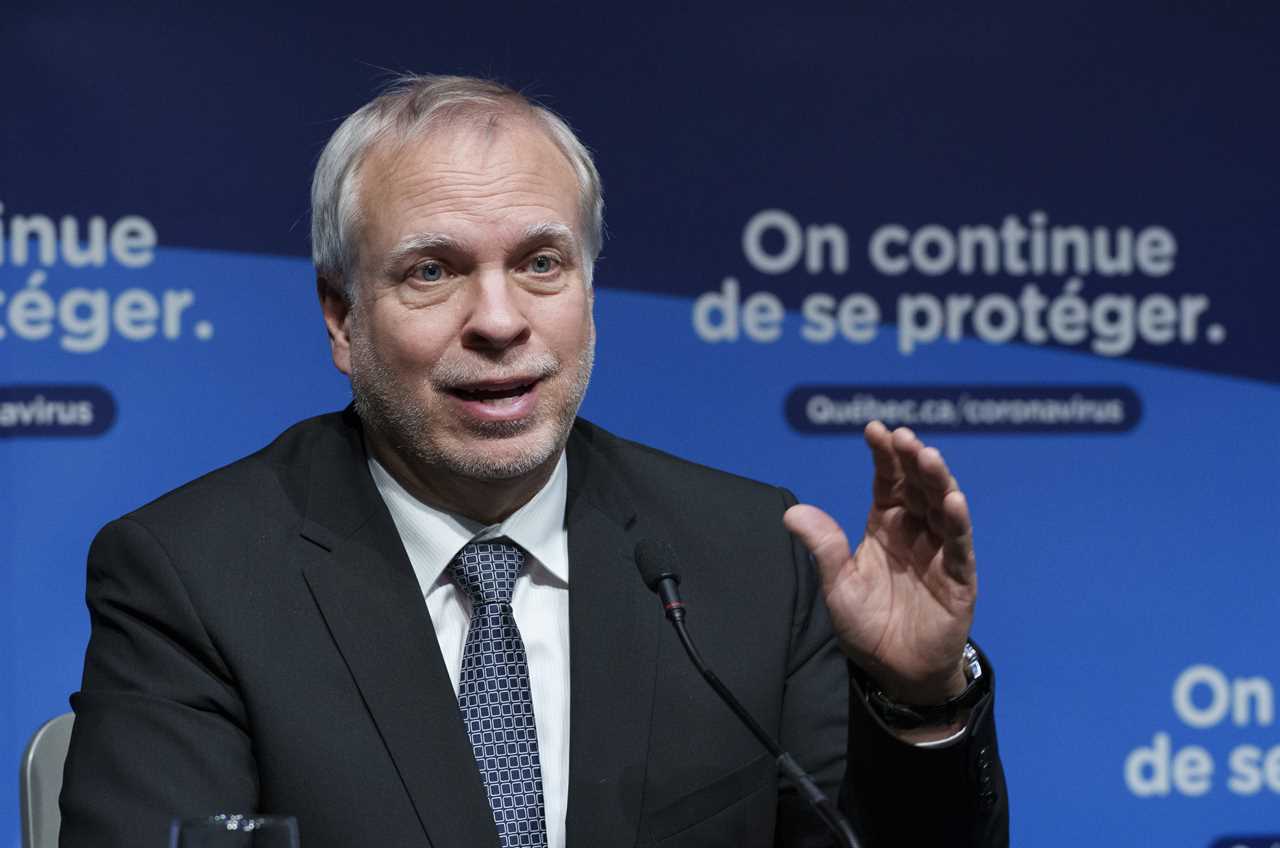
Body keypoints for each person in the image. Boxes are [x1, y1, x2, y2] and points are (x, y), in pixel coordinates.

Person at [60, 74, 1008, 847]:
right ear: (342, 319)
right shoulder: (192, 577)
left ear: (592, 294)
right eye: (432, 271)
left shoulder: (751, 557)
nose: (502, 320)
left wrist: (919, 701)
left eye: (541, 264)